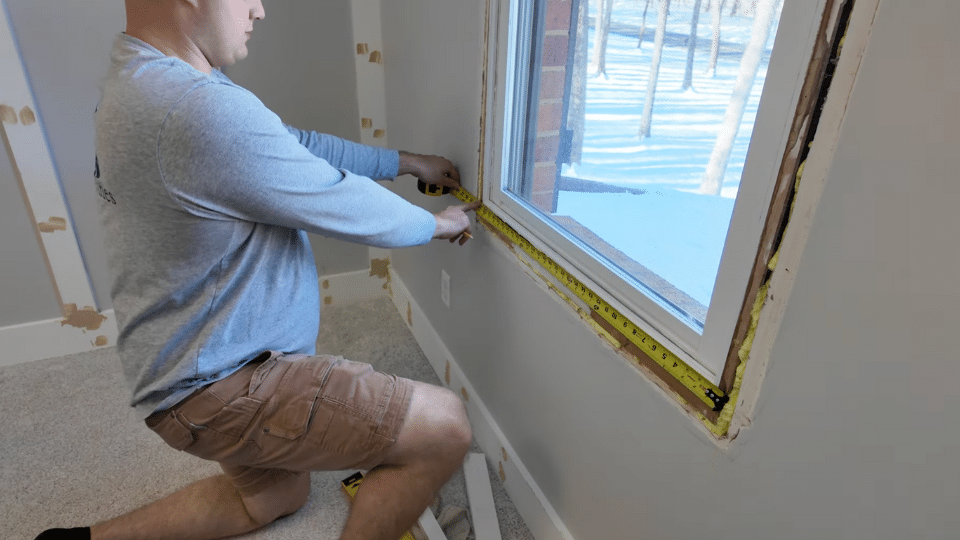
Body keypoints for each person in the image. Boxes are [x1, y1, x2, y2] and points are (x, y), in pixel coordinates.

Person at [35, 0, 480, 539]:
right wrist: (436, 224)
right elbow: (338, 200)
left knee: (274, 500)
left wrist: (405, 163)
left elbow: (294, 148)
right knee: (444, 428)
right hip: (223, 384)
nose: (260, 10)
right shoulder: (190, 108)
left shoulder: (142, 75)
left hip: (180, 368)